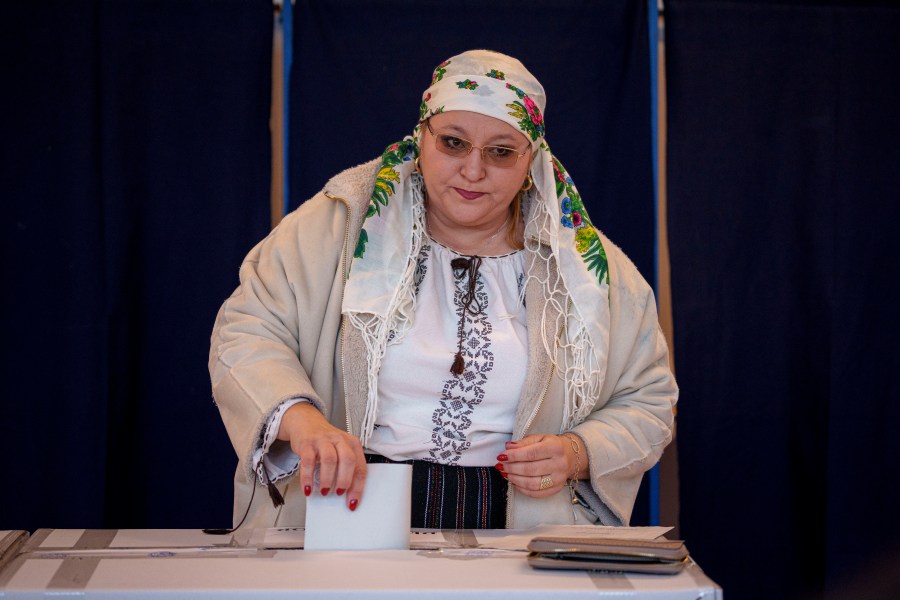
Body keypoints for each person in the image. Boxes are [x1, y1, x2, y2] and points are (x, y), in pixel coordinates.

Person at [209, 50, 676, 530]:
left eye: (500, 151)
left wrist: (578, 453)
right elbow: (247, 332)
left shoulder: (590, 270)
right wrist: (303, 421)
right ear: (422, 136)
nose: (473, 171)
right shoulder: (337, 228)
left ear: (531, 160)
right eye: (453, 143)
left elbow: (649, 400)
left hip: (525, 532)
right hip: (347, 514)